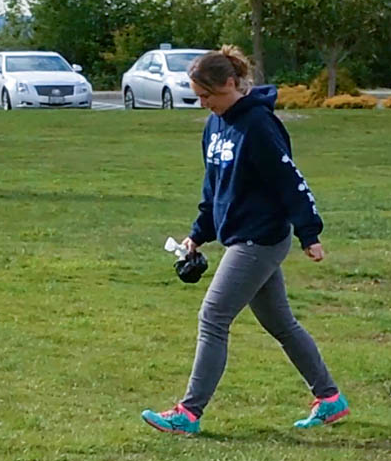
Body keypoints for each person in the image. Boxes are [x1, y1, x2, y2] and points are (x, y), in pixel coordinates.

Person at [141, 45, 348, 435]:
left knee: (213, 316)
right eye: (198, 97)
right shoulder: (214, 126)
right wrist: (198, 234)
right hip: (239, 236)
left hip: (260, 238)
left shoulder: (259, 125)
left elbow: (289, 180)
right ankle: (330, 398)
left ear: (231, 84)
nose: (204, 103)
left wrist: (309, 232)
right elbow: (214, 188)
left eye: (208, 95)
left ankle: (188, 413)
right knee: (281, 324)